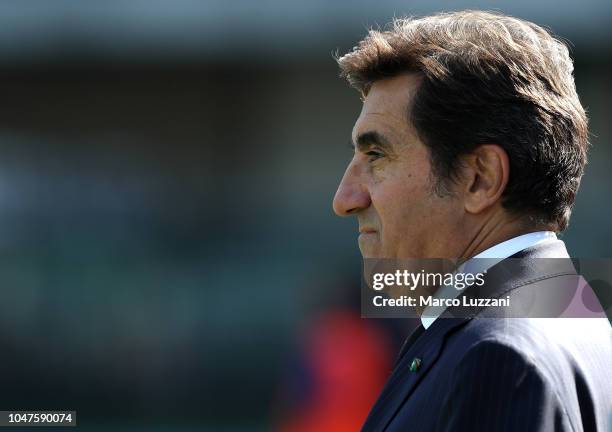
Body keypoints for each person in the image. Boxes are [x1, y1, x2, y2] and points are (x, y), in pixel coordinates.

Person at [332, 10, 611, 431]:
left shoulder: (499, 358)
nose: (344, 199)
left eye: (377, 156)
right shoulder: (572, 313)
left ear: (480, 178)